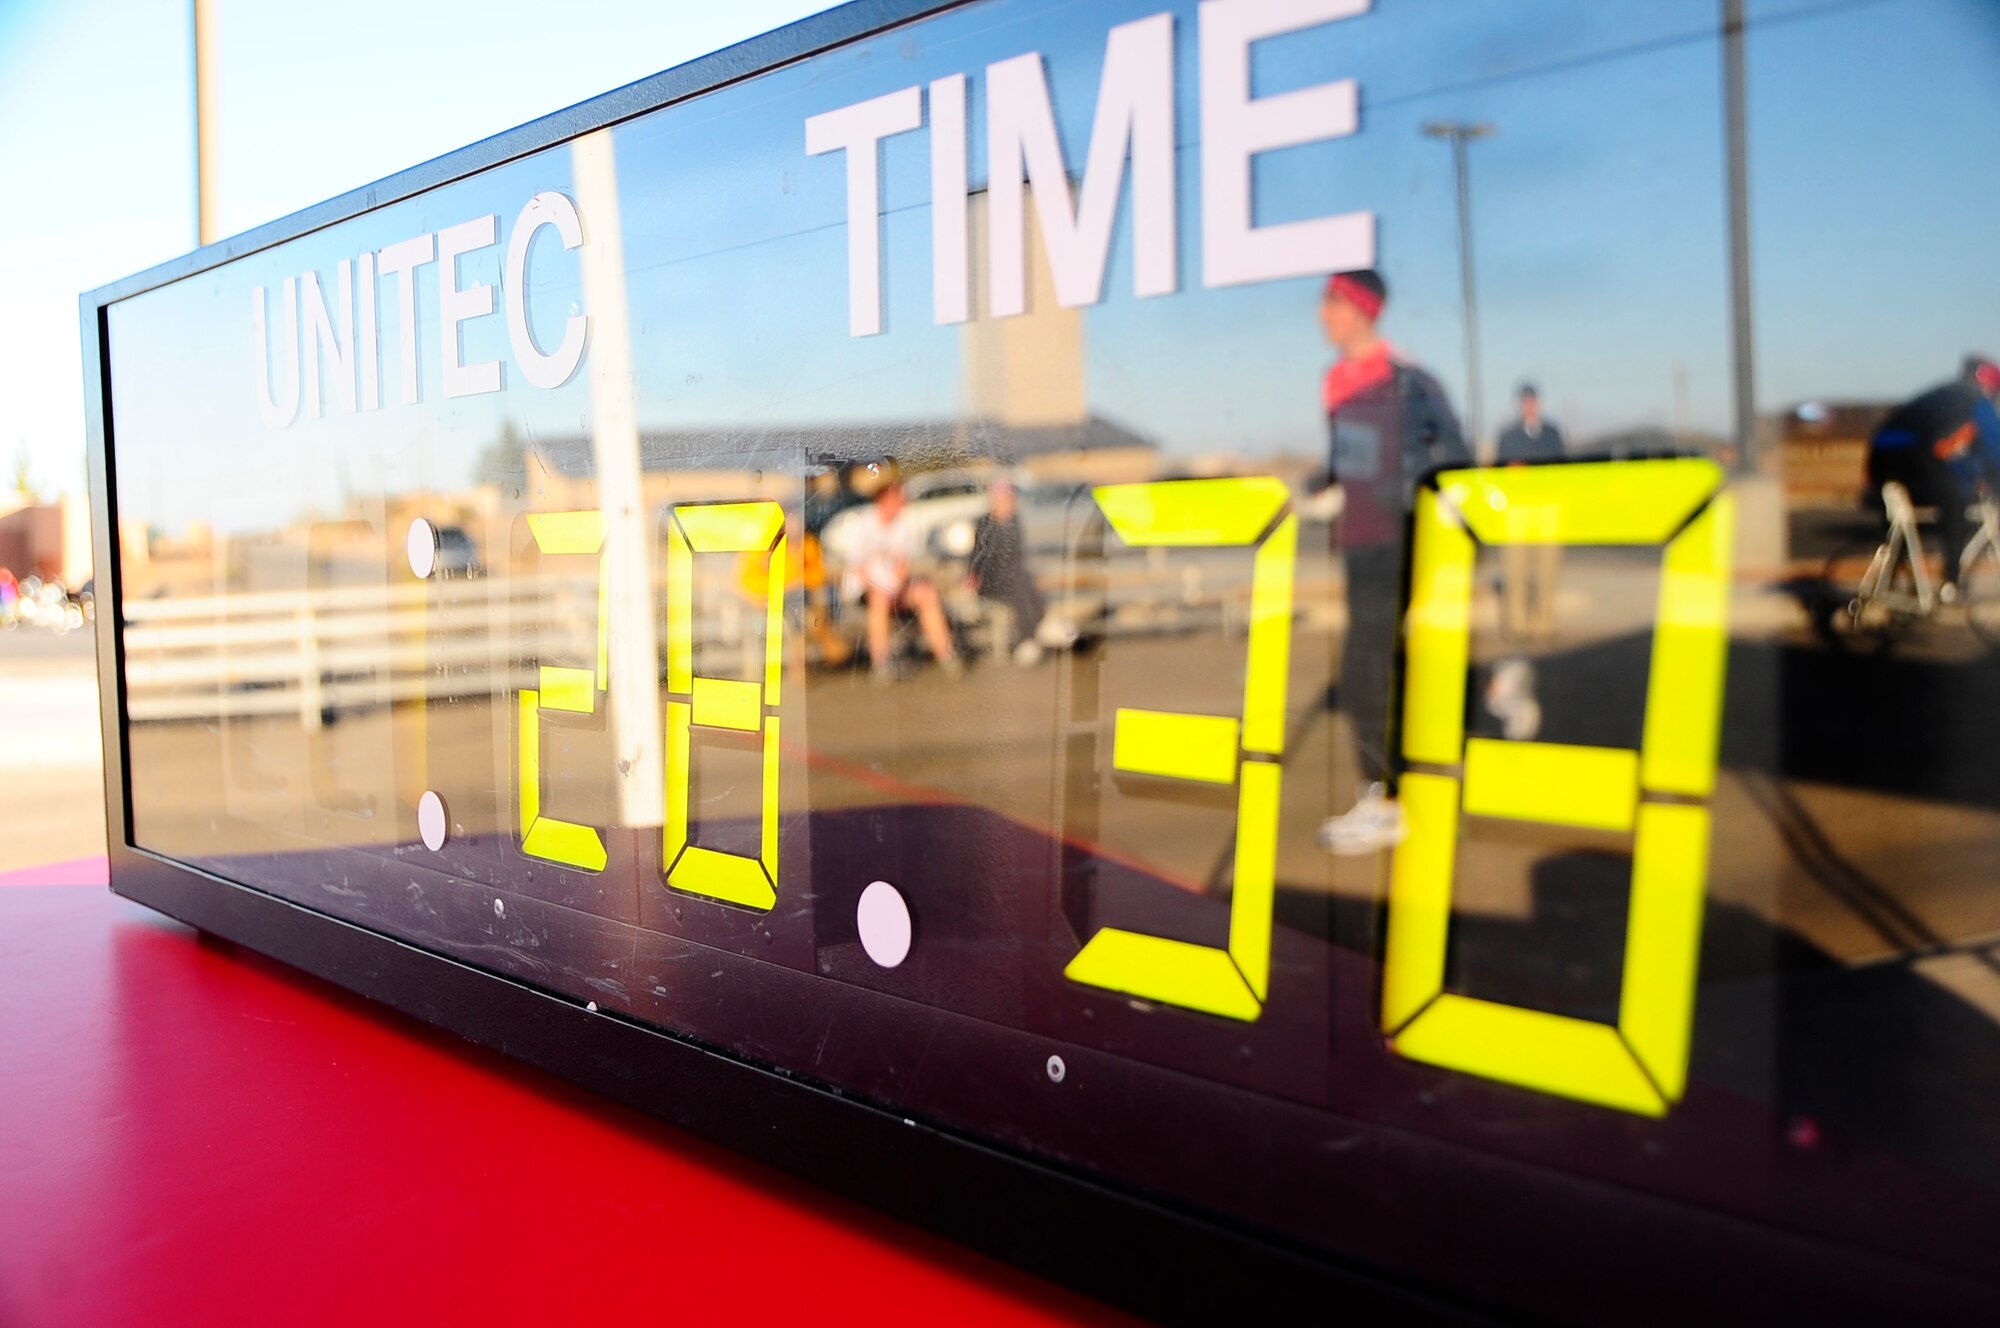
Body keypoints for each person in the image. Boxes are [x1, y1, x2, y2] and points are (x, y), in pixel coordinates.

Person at [1311, 269, 1471, 856]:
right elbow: (1345, 459)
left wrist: (1418, 504)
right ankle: (1390, 792)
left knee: (1376, 666)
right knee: (1367, 666)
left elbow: (1452, 451)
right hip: (1357, 540)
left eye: (1331, 305)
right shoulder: (1335, 380)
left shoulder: (1407, 380)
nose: (1321, 316)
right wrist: (1321, 489)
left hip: (1396, 539)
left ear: (1360, 310)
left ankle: (1387, 798)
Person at [1866, 355, 2000, 589]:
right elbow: (1994, 446)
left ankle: (1899, 580)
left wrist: (1975, 476)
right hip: (1906, 451)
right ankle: (1951, 580)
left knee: (1914, 514)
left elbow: (1951, 456)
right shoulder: (1975, 399)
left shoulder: (1948, 394)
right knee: (1954, 499)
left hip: (1883, 453)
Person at [851, 461, 962, 682]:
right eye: (896, 496)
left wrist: (897, 587)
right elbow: (858, 568)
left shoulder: (904, 525)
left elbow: (904, 565)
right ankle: (881, 663)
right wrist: (883, 587)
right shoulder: (865, 524)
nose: (902, 501)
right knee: (879, 600)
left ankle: (946, 654)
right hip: (869, 588)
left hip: (897, 587)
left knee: (926, 593)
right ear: (883, 499)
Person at [1495, 382, 1566, 642]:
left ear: (1538, 402)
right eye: (1524, 401)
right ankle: (1517, 624)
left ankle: (1544, 623)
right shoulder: (1509, 435)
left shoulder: (1551, 433)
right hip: (1518, 507)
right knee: (1515, 567)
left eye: (1532, 401)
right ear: (1520, 404)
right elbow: (1499, 469)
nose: (1529, 406)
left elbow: (1562, 467)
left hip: (1547, 506)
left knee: (1548, 567)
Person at [967, 476, 1049, 665]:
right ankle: (1029, 638)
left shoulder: (1014, 522)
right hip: (991, 581)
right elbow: (977, 559)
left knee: (1022, 582)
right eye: (1005, 497)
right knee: (1021, 584)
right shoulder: (984, 523)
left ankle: (1030, 638)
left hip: (1013, 579)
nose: (1009, 501)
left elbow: (1018, 556)